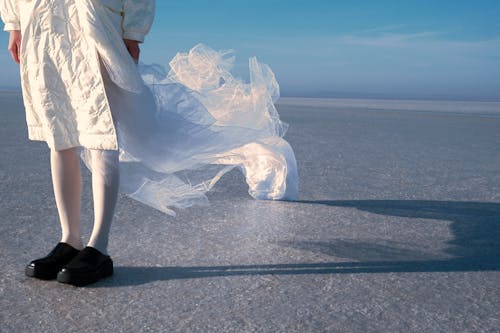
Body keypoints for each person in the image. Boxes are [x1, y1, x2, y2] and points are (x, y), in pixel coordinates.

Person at [1, 0, 298, 287]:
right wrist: (14, 23)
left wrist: (133, 32)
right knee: (59, 135)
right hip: (41, 25)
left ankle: (99, 246)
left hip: (94, 24)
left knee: (101, 134)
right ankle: (70, 240)